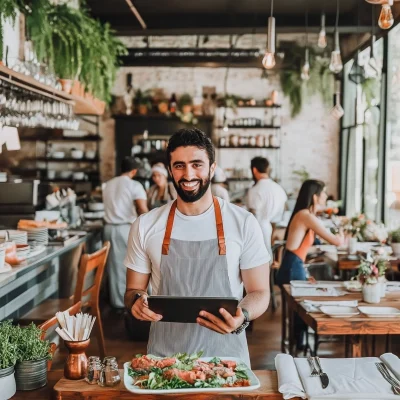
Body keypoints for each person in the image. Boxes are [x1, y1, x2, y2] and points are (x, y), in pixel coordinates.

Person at [124, 128, 270, 367]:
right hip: (164, 361)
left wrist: (242, 316)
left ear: (212, 168)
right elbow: (132, 290)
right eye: (179, 165)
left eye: (197, 164)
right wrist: (136, 302)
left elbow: (260, 292)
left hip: (227, 361)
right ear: (170, 170)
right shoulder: (145, 225)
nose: (188, 174)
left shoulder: (243, 223)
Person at [275, 179, 343, 349]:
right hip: (292, 266)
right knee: (302, 310)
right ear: (315, 197)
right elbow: (336, 241)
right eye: (324, 192)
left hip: (294, 264)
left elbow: (299, 248)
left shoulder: (304, 214)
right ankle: (299, 346)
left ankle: (299, 345)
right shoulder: (306, 215)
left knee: (301, 310)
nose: (326, 196)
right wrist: (341, 230)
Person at [103, 157, 148, 309]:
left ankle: (116, 302)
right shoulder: (135, 185)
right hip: (125, 229)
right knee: (129, 266)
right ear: (134, 171)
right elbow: (142, 209)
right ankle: (127, 304)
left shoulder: (108, 184)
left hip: (108, 228)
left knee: (113, 267)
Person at [246, 157, 287, 255]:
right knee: (268, 257)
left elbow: (253, 214)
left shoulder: (255, 190)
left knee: (259, 257)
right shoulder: (279, 188)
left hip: (258, 230)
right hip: (275, 229)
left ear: (254, 170)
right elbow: (284, 211)